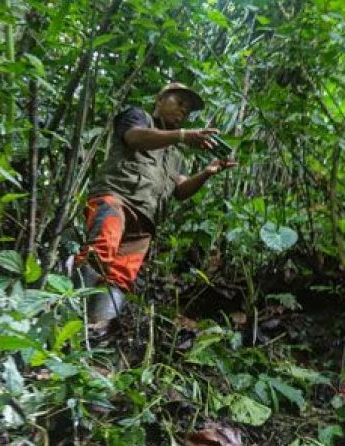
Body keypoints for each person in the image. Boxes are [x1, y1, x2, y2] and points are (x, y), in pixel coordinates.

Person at [74, 82, 237, 324]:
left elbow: (180, 190)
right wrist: (182, 136)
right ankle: (65, 315)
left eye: (187, 110)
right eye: (179, 103)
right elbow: (134, 138)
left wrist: (207, 172)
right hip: (116, 198)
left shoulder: (175, 155)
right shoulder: (138, 117)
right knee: (99, 254)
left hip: (145, 222)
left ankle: (97, 331)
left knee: (121, 276)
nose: (183, 111)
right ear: (159, 100)